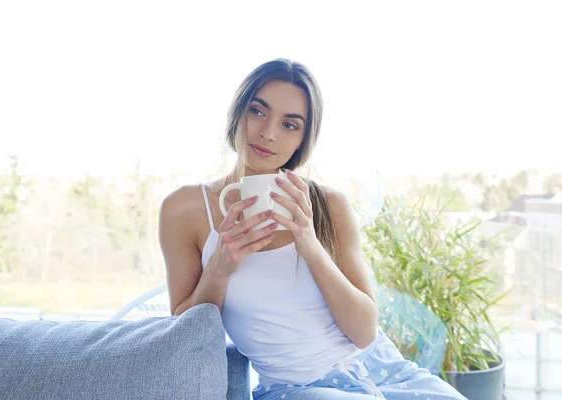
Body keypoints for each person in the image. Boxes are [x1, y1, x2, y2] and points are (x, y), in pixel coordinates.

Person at [159, 59, 466, 400]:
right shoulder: (185, 209)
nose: (268, 132)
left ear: (303, 140)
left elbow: (365, 333)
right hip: (296, 390)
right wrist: (218, 270)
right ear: (238, 111)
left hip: (384, 372)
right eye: (258, 111)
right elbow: (184, 332)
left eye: (290, 124)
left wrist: (309, 244)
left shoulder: (328, 205)